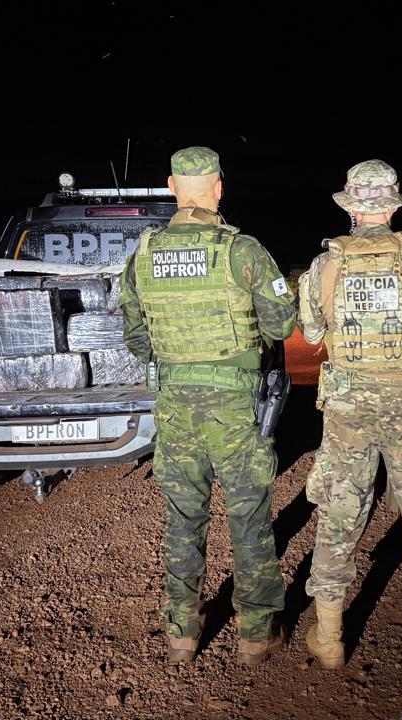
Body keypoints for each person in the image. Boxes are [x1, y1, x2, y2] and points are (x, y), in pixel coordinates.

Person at [119, 146, 298, 666]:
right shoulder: (243, 250)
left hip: (176, 406)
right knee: (249, 517)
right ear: (219, 187)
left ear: (172, 186)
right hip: (236, 408)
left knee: (183, 517)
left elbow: (135, 337)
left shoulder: (144, 253)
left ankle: (181, 634)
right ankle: (257, 637)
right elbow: (282, 324)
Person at [297, 159, 402, 669]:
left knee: (340, 515)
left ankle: (329, 642)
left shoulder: (324, 267)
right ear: (394, 207)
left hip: (349, 406)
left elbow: (309, 333)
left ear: (351, 208)